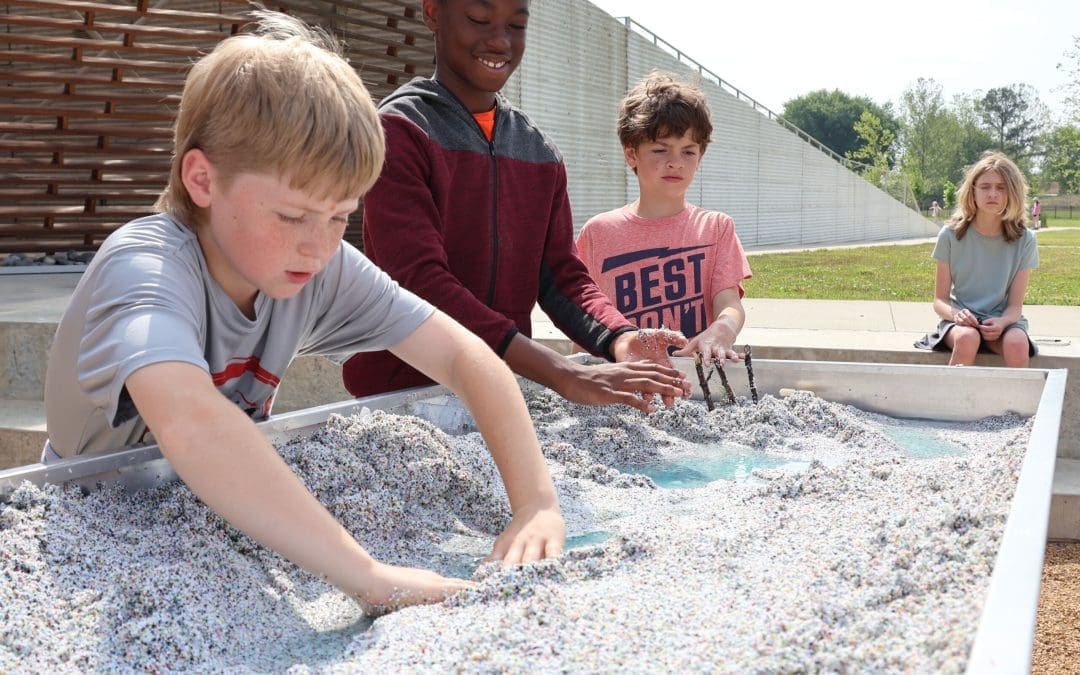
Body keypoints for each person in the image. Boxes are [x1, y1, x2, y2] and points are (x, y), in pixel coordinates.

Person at [42, 9, 564, 616]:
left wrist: (535, 503)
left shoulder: (318, 263)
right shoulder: (145, 268)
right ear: (203, 179)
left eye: (341, 215)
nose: (319, 246)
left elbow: (464, 354)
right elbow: (190, 421)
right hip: (94, 519)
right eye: (292, 216)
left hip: (222, 511)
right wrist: (365, 574)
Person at [341, 0, 690, 413]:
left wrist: (618, 336)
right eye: (478, 19)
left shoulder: (539, 151)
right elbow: (420, 283)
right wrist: (563, 373)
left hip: (502, 389)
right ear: (433, 12)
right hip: (404, 396)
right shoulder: (399, 131)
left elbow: (562, 277)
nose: (500, 40)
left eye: (517, 24)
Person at [575, 71, 752, 367]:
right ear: (632, 154)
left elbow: (729, 304)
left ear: (701, 157)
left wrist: (724, 328)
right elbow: (585, 320)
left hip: (694, 380)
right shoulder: (597, 232)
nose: (675, 162)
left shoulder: (717, 228)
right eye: (660, 149)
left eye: (689, 151)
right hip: (623, 380)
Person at [913, 151, 1039, 367]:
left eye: (1001, 187)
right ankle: (954, 400)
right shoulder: (950, 235)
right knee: (968, 338)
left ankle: (1016, 401)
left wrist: (1002, 322)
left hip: (1002, 323)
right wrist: (956, 315)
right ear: (973, 191)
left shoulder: (1025, 239)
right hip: (961, 322)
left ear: (1013, 192)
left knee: (1018, 343)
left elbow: (1015, 307)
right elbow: (939, 301)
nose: (992, 194)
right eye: (985, 186)